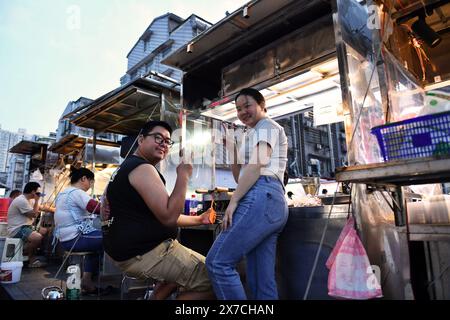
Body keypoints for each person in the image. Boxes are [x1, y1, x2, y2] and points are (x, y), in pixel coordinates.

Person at [102, 120, 215, 300]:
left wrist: (199, 219)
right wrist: (183, 175)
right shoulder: (143, 168)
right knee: (215, 278)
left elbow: (163, 213)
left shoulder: (127, 167)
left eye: (167, 141)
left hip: (129, 251)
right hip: (147, 253)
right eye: (157, 138)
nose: (163, 143)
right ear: (140, 139)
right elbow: (169, 217)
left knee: (176, 277)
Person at [206, 87, 289, 300]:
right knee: (261, 279)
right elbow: (239, 177)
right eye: (238, 108)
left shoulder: (268, 125)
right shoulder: (251, 133)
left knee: (217, 262)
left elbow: (259, 163)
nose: (242, 112)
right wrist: (232, 147)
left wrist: (234, 201)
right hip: (269, 202)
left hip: (262, 195)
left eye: (247, 105)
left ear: (262, 106)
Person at [54, 166, 108, 295]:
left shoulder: (64, 193)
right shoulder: (77, 192)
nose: (90, 186)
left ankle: (86, 281)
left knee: (97, 247)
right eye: (91, 182)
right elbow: (95, 208)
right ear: (84, 178)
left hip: (65, 239)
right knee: (111, 238)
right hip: (75, 238)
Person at [7, 182, 53, 268]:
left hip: (26, 227)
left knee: (45, 231)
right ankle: (31, 259)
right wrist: (36, 200)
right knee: (37, 237)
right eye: (38, 193)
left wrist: (55, 209)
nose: (39, 195)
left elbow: (42, 207)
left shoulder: (29, 200)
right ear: (33, 192)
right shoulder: (21, 200)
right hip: (17, 229)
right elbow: (34, 214)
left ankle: (26, 251)